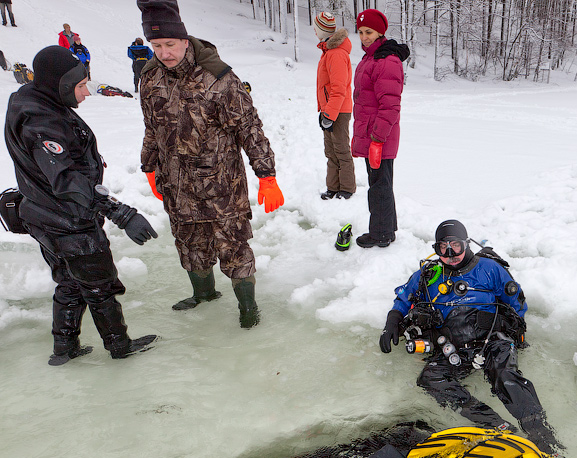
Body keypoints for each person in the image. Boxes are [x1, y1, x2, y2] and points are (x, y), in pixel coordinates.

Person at [4, 46, 158, 364]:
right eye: (80, 86)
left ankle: (64, 348)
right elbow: (66, 179)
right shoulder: (40, 122)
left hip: (45, 214)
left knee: (70, 281)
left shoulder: (32, 99)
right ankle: (119, 346)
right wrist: (121, 212)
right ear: (59, 85)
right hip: (67, 220)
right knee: (98, 284)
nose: (86, 93)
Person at [136, 0, 284, 329]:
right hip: (177, 184)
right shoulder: (149, 79)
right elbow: (152, 128)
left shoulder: (219, 79)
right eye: (156, 45)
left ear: (185, 40)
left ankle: (248, 307)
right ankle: (203, 294)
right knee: (189, 243)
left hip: (222, 187)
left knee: (233, 246)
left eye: (170, 44)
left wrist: (267, 175)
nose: (164, 52)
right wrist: (149, 165)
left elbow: (249, 128)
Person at [379, 219, 565, 458]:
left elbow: (516, 302)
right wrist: (391, 323)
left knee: (505, 376)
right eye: (442, 248)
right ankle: (496, 427)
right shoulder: (428, 275)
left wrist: (515, 331)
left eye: (455, 246)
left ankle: (542, 436)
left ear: (466, 244)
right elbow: (403, 299)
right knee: (430, 378)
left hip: (492, 340)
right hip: (453, 347)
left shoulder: (489, 269)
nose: (450, 254)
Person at [352, 8, 408, 248]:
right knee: (380, 182)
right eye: (361, 32)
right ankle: (387, 228)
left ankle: (381, 234)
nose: (364, 37)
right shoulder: (371, 58)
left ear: (380, 32)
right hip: (370, 132)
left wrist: (377, 138)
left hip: (379, 135)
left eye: (369, 32)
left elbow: (390, 106)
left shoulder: (386, 61)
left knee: (379, 186)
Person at [314, 11, 355, 201]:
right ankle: (333, 187)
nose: (314, 31)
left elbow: (339, 89)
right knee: (330, 150)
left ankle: (346, 189)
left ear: (323, 30)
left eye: (316, 27)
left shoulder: (336, 54)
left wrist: (329, 114)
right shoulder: (328, 52)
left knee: (341, 149)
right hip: (330, 109)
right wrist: (324, 112)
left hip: (339, 110)